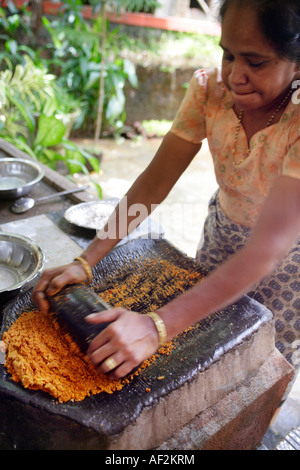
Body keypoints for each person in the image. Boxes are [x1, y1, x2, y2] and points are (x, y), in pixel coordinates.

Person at [33, 0, 300, 391]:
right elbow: (153, 184)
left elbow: (267, 249)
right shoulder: (211, 92)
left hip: (289, 262)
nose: (235, 75)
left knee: (265, 358)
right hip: (223, 235)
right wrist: (86, 261)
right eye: (228, 55)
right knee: (207, 342)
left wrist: (155, 326)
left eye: (255, 63)